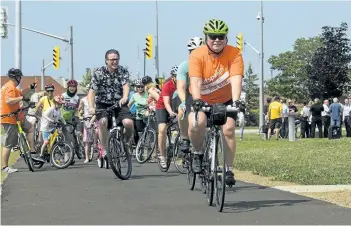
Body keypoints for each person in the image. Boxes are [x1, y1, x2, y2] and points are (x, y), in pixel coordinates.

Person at [188, 19, 244, 186]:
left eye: (221, 36)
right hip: (202, 99)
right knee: (197, 124)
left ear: (226, 38)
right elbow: (196, 81)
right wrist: (197, 100)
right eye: (213, 36)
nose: (217, 40)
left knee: (228, 130)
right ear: (206, 37)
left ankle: (228, 169)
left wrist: (237, 101)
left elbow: (236, 80)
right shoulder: (197, 55)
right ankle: (198, 152)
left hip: (226, 99)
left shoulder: (234, 53)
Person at [88, 49, 134, 158]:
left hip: (118, 102)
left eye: (116, 59)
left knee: (128, 123)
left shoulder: (122, 71)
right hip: (103, 103)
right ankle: (105, 149)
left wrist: (125, 97)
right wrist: (91, 107)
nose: (115, 61)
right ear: (106, 61)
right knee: (103, 122)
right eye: (112, 59)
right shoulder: (99, 73)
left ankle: (126, 142)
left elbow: (126, 85)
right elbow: (92, 92)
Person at [0, 68, 37, 173]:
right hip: (9, 118)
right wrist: (21, 99)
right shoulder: (9, 87)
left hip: (16, 117)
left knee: (30, 127)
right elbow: (8, 100)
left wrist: (30, 88)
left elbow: (21, 93)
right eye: (20, 77)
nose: (20, 79)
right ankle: (5, 167)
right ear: (17, 77)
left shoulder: (13, 88)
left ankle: (32, 151)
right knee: (9, 144)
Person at [176, 36, 203, 154]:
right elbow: (181, 87)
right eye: (193, 51)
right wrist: (183, 102)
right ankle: (185, 138)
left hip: (206, 95)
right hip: (190, 94)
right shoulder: (184, 66)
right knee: (182, 111)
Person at [155, 66, 178, 168]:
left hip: (176, 107)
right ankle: (162, 155)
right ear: (172, 77)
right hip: (163, 107)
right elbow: (166, 102)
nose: (179, 78)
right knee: (162, 129)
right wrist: (171, 112)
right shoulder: (167, 85)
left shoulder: (185, 84)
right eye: (176, 76)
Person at [33, 96, 66, 163]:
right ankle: (41, 155)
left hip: (52, 127)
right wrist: (50, 120)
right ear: (55, 103)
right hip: (46, 128)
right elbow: (44, 115)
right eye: (59, 104)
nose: (60, 106)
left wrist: (64, 123)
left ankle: (54, 151)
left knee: (59, 134)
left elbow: (61, 117)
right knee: (46, 142)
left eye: (61, 104)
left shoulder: (58, 110)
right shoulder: (51, 109)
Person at [128, 78, 148, 143]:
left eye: (142, 86)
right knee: (139, 130)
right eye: (138, 87)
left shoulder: (147, 94)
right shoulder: (134, 95)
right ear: (136, 87)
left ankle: (148, 144)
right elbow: (129, 105)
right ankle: (139, 144)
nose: (140, 88)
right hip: (138, 116)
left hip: (148, 116)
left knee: (148, 131)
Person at [78, 83, 94, 163]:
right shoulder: (83, 100)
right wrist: (80, 115)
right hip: (87, 119)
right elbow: (79, 110)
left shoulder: (97, 99)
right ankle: (87, 157)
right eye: (89, 90)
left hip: (96, 119)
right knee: (87, 141)